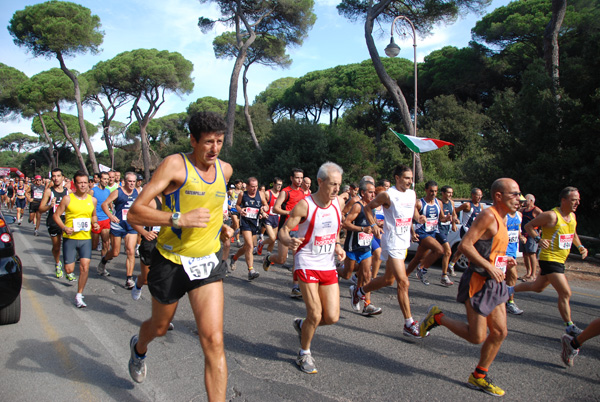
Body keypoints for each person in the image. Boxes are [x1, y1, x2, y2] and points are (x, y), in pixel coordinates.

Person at [126, 111, 232, 401]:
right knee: (159, 327)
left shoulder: (225, 171)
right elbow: (136, 211)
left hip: (206, 263)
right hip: (170, 262)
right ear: (193, 140)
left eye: (219, 142)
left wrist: (221, 226)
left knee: (214, 340)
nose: (214, 149)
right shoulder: (175, 165)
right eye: (208, 142)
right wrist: (178, 219)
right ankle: (139, 348)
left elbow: (210, 207)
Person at [420, 178, 521, 397]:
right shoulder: (488, 215)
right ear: (498, 196)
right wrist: (488, 266)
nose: (519, 199)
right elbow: (466, 245)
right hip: (478, 282)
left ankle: (479, 375)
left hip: (496, 282)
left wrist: (504, 262)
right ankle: (438, 317)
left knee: (500, 332)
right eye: (514, 194)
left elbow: (492, 250)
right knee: (477, 337)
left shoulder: (505, 218)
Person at [280, 161, 345, 374]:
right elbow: (284, 230)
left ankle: (302, 325)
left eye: (339, 184)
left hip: (327, 265)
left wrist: (337, 245)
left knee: (332, 317)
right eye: (332, 184)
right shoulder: (305, 205)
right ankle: (304, 353)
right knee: (316, 313)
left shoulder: (338, 203)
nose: (336, 189)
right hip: (307, 261)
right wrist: (288, 240)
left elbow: (335, 229)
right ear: (320, 181)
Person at [351, 165, 425, 338]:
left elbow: (412, 209)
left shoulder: (412, 193)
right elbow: (368, 208)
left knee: (388, 280)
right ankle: (409, 323)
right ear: (397, 178)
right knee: (403, 282)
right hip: (391, 241)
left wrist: (417, 217)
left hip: (403, 241)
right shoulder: (387, 195)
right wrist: (373, 225)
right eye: (406, 178)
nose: (410, 181)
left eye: (411, 178)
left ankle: (359, 291)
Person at [513, 186, 588, 336]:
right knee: (565, 292)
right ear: (564, 200)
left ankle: (506, 291)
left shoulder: (572, 217)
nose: (577, 203)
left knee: (536, 287)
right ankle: (569, 326)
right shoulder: (551, 216)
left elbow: (572, 233)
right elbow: (528, 226)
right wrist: (538, 239)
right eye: (574, 200)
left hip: (561, 260)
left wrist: (580, 247)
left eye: (578, 200)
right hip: (549, 259)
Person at [53, 172, 100, 308]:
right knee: (69, 270)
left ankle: (79, 295)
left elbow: (93, 216)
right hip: (70, 238)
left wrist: (95, 223)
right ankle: (65, 265)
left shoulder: (92, 200)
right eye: (80, 182)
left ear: (88, 183)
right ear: (75, 184)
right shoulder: (68, 199)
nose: (83, 185)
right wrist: (64, 228)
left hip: (86, 238)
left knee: (85, 267)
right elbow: (56, 216)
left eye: (85, 182)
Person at [339, 179, 381, 316]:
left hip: (365, 247)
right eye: (370, 192)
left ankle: (367, 304)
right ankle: (333, 270)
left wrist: (378, 227)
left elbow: (372, 225)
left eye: (374, 192)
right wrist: (362, 228)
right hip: (353, 246)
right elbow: (346, 223)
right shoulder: (357, 206)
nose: (373, 195)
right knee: (347, 274)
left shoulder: (372, 207)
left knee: (366, 274)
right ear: (363, 193)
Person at [263, 168, 305, 297]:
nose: (299, 180)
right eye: (297, 178)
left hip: (299, 230)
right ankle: (269, 258)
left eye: (301, 178)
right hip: (285, 230)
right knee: (281, 260)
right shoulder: (285, 192)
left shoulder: (303, 192)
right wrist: (289, 213)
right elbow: (275, 208)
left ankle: (295, 287)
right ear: (291, 178)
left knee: (297, 260)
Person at [405, 180, 453, 286]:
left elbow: (441, 219)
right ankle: (423, 270)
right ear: (426, 190)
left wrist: (447, 218)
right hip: (422, 232)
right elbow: (410, 219)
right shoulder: (419, 203)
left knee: (419, 258)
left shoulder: (438, 202)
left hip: (433, 232)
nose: (433, 194)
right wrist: (412, 233)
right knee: (440, 250)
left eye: (435, 191)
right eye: (431, 191)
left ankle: (404, 278)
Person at [98, 172, 139, 287]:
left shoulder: (137, 192)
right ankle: (104, 261)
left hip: (131, 225)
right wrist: (111, 216)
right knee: (115, 252)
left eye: (133, 182)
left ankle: (129, 279)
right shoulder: (118, 192)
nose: (131, 184)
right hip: (118, 224)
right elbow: (105, 204)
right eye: (129, 181)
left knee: (130, 251)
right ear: (125, 181)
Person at [230, 177, 268, 280]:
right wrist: (240, 210)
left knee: (247, 247)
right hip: (245, 222)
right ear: (247, 186)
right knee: (250, 246)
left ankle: (234, 257)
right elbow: (237, 205)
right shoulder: (243, 194)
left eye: (256, 186)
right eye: (252, 187)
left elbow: (266, 205)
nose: (255, 188)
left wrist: (264, 210)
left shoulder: (260, 194)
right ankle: (251, 270)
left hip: (254, 223)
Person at [38, 169, 69, 278]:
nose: (56, 178)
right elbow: (41, 209)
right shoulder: (48, 191)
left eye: (58, 176)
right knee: (56, 246)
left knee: (69, 246)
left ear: (63, 177)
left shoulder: (67, 191)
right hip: (53, 221)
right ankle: (57, 264)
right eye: (54, 176)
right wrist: (50, 206)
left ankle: (68, 269)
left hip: (66, 220)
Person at [448, 188, 484, 272]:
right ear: (473, 195)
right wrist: (455, 219)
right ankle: (471, 267)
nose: (479, 197)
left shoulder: (481, 206)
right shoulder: (467, 205)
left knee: (461, 249)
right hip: (465, 229)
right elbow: (455, 211)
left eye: (481, 195)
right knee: (471, 248)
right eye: (478, 195)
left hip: (474, 231)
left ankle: (451, 264)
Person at [505, 207, 524, 315]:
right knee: (512, 275)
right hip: (502, 251)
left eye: (520, 202)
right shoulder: (503, 216)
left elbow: (518, 230)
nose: (518, 204)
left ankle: (509, 302)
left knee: (510, 277)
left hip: (512, 250)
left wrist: (521, 237)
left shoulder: (519, 216)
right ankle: (509, 302)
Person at [90, 172, 112, 265]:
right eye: (104, 179)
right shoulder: (92, 191)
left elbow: (109, 203)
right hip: (95, 220)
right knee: (94, 246)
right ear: (99, 179)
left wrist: (112, 211)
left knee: (106, 243)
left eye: (107, 179)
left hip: (106, 219)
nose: (106, 181)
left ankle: (102, 264)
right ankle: (80, 252)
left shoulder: (108, 191)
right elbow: (86, 203)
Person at [520, 194, 542, 281]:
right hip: (523, 233)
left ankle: (533, 274)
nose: (525, 202)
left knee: (532, 253)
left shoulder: (536, 210)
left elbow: (543, 218)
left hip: (532, 234)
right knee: (525, 254)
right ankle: (528, 272)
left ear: (531, 201)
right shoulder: (523, 210)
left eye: (526, 200)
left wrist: (539, 231)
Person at [257, 177, 282, 257]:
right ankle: (261, 243)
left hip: (276, 218)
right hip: (268, 217)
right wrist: (262, 212)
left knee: (273, 240)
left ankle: (268, 256)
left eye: (281, 185)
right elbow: (260, 204)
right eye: (278, 184)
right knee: (272, 238)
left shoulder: (281, 194)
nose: (279, 186)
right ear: (274, 184)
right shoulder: (268, 193)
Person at [438, 185, 459, 276]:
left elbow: (453, 214)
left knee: (432, 251)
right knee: (448, 251)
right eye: (448, 192)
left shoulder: (451, 202)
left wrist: (454, 223)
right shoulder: (439, 203)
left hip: (446, 229)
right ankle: (444, 274)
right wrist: (445, 218)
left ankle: (421, 266)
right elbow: (439, 217)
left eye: (451, 193)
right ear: (443, 193)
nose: (450, 194)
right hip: (438, 229)